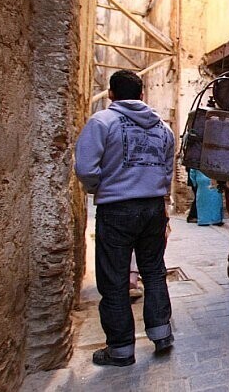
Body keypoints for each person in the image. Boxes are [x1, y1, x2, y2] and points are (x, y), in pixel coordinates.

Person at [75, 69, 175, 367]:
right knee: (154, 271)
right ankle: (161, 333)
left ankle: (120, 349)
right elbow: (167, 169)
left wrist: (100, 188)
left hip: (117, 208)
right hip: (153, 207)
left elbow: (85, 168)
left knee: (115, 279)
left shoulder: (102, 122)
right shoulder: (163, 128)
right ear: (142, 95)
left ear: (111, 94)